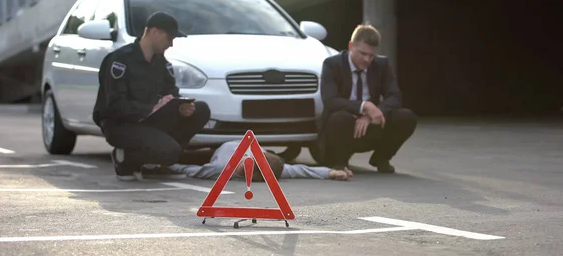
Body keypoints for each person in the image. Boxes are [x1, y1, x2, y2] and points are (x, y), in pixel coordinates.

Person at [92, 11, 211, 181]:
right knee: (171, 151)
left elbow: (171, 91)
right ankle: (126, 159)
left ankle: (154, 164)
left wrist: (181, 106)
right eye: (169, 38)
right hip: (121, 124)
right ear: (154, 32)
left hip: (150, 121)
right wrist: (151, 108)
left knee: (201, 109)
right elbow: (114, 105)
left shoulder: (161, 63)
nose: (170, 44)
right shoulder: (119, 60)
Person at [317, 24, 418, 174]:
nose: (367, 59)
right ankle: (339, 163)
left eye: (371, 55)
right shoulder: (332, 64)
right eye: (362, 53)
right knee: (340, 117)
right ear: (351, 46)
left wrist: (371, 114)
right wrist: (364, 106)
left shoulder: (381, 64)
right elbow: (330, 100)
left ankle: (381, 158)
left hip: (370, 126)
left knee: (406, 117)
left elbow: (395, 96)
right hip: (342, 128)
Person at [169, 140, 353, 181]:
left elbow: (303, 170)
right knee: (188, 155)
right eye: (247, 169)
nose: (245, 173)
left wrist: (331, 172)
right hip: (220, 149)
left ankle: (285, 153)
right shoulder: (222, 167)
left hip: (258, 149)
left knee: (281, 161)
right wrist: (169, 165)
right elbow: (193, 170)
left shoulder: (274, 169)